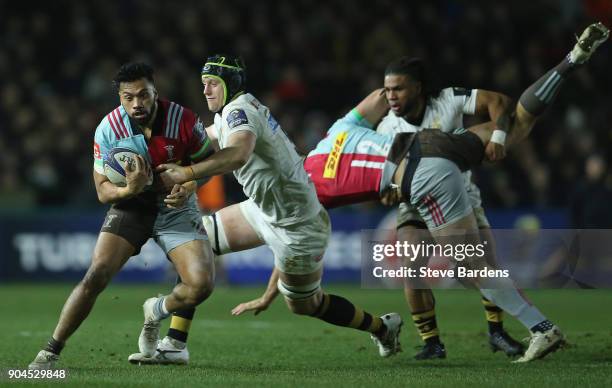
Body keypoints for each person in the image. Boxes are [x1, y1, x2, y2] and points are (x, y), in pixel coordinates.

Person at [130, 22, 609, 365]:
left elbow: (293, 222)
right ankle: (569, 64)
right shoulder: (334, 138)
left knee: (465, 263)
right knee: (513, 130)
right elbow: (290, 210)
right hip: (419, 153)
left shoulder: (316, 158)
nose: (390, 96)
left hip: (421, 173)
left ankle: (540, 329)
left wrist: (187, 175)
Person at [128, 54, 403, 365]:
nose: (205, 91)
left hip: (298, 226)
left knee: (305, 304)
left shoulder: (239, 112)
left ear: (229, 85)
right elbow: (206, 136)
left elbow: (239, 153)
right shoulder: (230, 110)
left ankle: (382, 327)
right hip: (262, 210)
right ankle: (175, 344)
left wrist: (187, 173)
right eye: (203, 84)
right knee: (195, 243)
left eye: (212, 85)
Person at [369, 21, 609, 360]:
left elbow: (499, 102)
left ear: (419, 88)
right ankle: (432, 343)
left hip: (458, 195)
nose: (390, 96)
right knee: (414, 268)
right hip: (415, 201)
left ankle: (502, 331)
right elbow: (386, 183)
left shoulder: (447, 100)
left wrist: (497, 137)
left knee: (480, 268)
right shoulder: (386, 128)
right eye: (387, 90)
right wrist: (390, 190)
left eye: (398, 89)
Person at [28, 62, 216, 369]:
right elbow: (103, 191)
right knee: (96, 274)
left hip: (175, 206)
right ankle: (50, 352)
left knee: (201, 286)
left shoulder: (184, 120)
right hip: (132, 205)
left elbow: (208, 164)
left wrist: (192, 184)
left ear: (156, 91)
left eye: (144, 95)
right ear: (119, 96)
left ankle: (155, 309)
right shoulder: (108, 129)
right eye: (128, 97)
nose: (136, 103)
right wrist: (129, 190)